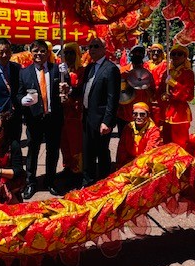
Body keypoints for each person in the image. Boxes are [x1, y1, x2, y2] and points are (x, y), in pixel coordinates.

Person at [70, 37, 121, 188]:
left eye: (96, 46)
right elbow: (83, 90)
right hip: (87, 117)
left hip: (101, 120)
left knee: (102, 152)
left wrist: (107, 121)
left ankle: (105, 182)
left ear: (104, 49)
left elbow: (113, 98)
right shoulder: (89, 68)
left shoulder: (111, 69)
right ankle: (88, 181)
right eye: (90, 46)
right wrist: (70, 90)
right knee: (87, 151)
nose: (92, 49)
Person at [17, 39, 64, 199]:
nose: (39, 54)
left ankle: (50, 181)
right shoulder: (24, 72)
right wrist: (22, 100)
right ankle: (31, 182)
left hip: (53, 117)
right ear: (31, 53)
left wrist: (67, 81)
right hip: (34, 118)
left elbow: (66, 89)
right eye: (36, 51)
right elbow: (18, 93)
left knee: (52, 151)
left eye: (42, 51)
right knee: (33, 151)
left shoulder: (57, 69)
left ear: (47, 53)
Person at [158, 43, 195, 146]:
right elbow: (161, 89)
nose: (176, 56)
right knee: (165, 141)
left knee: (180, 143)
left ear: (185, 57)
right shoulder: (167, 73)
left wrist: (174, 83)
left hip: (180, 114)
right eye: (173, 54)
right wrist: (162, 96)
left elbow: (189, 95)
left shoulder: (188, 73)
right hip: (166, 112)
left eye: (179, 54)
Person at [58, 42, 84, 184]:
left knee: (75, 142)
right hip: (62, 113)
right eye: (66, 53)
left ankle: (77, 170)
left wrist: (67, 77)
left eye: (71, 53)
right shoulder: (60, 70)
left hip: (75, 113)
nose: (68, 56)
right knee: (64, 142)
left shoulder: (81, 71)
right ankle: (67, 167)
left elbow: (80, 90)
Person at [118, 44, 156, 134]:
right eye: (135, 52)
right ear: (131, 54)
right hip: (125, 115)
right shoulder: (123, 71)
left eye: (140, 53)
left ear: (143, 55)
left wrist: (144, 84)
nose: (138, 55)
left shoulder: (148, 73)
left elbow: (153, 95)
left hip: (141, 115)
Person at [116, 102, 163, 168]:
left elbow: (149, 153)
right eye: (135, 114)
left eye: (142, 114)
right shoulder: (129, 127)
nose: (138, 117)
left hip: (147, 163)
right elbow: (122, 150)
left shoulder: (153, 131)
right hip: (130, 161)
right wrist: (119, 166)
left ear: (148, 115)